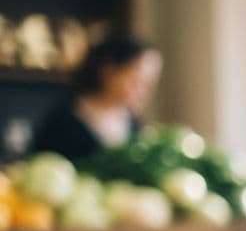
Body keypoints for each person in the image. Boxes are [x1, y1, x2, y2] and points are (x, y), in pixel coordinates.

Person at [29, 36, 161, 161]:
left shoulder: (135, 127)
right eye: (136, 81)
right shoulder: (64, 121)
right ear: (109, 71)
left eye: (148, 84)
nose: (143, 92)